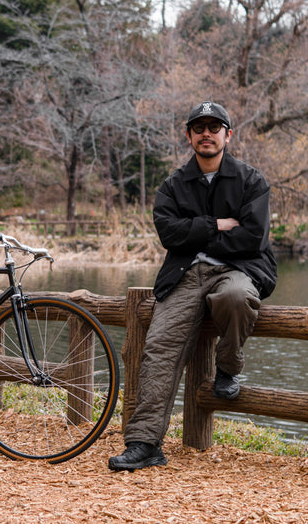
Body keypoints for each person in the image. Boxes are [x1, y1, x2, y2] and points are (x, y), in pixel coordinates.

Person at [108, 101, 277, 471]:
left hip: (238, 269)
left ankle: (228, 367)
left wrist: (196, 236)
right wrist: (216, 224)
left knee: (235, 296)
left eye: (214, 127)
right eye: (199, 128)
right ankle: (144, 443)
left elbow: (254, 238)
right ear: (189, 136)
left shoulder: (251, 181)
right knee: (159, 346)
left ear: (228, 135)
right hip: (185, 274)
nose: (206, 134)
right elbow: (168, 234)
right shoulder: (174, 185)